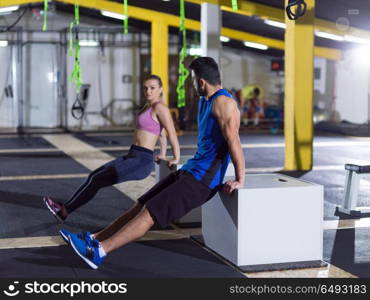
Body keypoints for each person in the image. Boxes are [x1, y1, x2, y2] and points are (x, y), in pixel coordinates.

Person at [62, 57, 245, 269]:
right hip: (191, 170)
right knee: (141, 205)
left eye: (193, 80)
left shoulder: (224, 103)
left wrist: (240, 179)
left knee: (150, 214)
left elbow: (234, 142)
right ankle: (94, 238)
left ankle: (99, 251)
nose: (191, 85)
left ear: (201, 82)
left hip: (202, 181)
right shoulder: (207, 100)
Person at [43, 75, 180, 226]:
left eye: (152, 88)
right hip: (133, 155)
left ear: (160, 90)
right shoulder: (147, 107)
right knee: (93, 176)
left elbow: (171, 132)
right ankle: (64, 210)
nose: (148, 91)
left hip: (141, 161)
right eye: (145, 88)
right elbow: (160, 134)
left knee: (97, 180)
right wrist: (162, 153)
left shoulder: (160, 107)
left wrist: (175, 157)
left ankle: (64, 211)